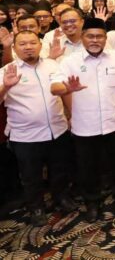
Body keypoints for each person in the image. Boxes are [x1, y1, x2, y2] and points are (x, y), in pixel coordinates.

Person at [50, 18, 115, 221]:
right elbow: (54, 88)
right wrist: (67, 88)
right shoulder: (69, 61)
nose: (95, 40)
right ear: (82, 37)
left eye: (99, 36)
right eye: (90, 36)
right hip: (84, 125)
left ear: (105, 38)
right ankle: (92, 201)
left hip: (114, 122)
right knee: (87, 167)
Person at [0, 31, 77, 225]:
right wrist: (6, 87)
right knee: (31, 176)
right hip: (25, 136)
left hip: (57, 130)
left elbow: (63, 91)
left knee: (60, 169)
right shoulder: (6, 71)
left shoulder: (53, 65)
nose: (28, 47)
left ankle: (61, 198)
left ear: (40, 45)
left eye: (32, 43)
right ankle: (36, 207)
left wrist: (72, 114)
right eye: (22, 44)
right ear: (15, 48)